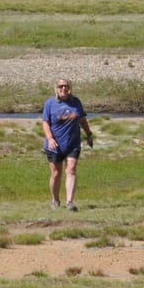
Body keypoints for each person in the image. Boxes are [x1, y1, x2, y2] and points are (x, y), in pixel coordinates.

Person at [39, 77, 93, 209]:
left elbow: (82, 119)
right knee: (56, 173)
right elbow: (46, 123)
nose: (63, 88)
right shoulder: (50, 103)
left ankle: (70, 202)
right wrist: (50, 138)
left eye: (66, 86)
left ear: (70, 88)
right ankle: (55, 200)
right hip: (55, 145)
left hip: (72, 143)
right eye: (61, 86)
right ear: (56, 88)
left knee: (71, 169)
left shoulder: (76, 102)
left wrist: (89, 134)